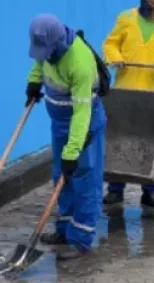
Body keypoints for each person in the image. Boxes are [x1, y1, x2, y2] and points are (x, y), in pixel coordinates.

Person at [26, 14, 107, 260]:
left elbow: (81, 114)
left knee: (83, 176)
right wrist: (33, 83)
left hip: (83, 124)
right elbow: (41, 63)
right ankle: (64, 229)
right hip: (59, 122)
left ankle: (81, 238)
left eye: (48, 50)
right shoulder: (48, 50)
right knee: (60, 175)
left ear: (59, 42)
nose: (44, 54)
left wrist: (73, 151)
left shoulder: (79, 62)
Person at [102, 0, 154, 208]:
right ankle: (115, 189)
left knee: (153, 141)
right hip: (126, 87)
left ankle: (149, 191)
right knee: (119, 136)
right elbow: (110, 43)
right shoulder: (127, 18)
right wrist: (115, 57)